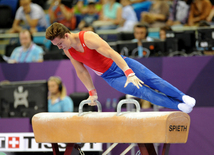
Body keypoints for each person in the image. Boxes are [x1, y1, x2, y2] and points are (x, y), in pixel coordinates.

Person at [45, 22, 196, 113]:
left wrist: (129, 72)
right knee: (143, 93)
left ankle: (182, 97)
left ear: (66, 35)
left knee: (152, 80)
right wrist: (92, 92)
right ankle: (178, 105)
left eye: (59, 44)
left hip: (122, 64)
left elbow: (111, 53)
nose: (59, 48)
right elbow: (81, 70)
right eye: (56, 46)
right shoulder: (67, 50)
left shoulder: (88, 38)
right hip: (110, 77)